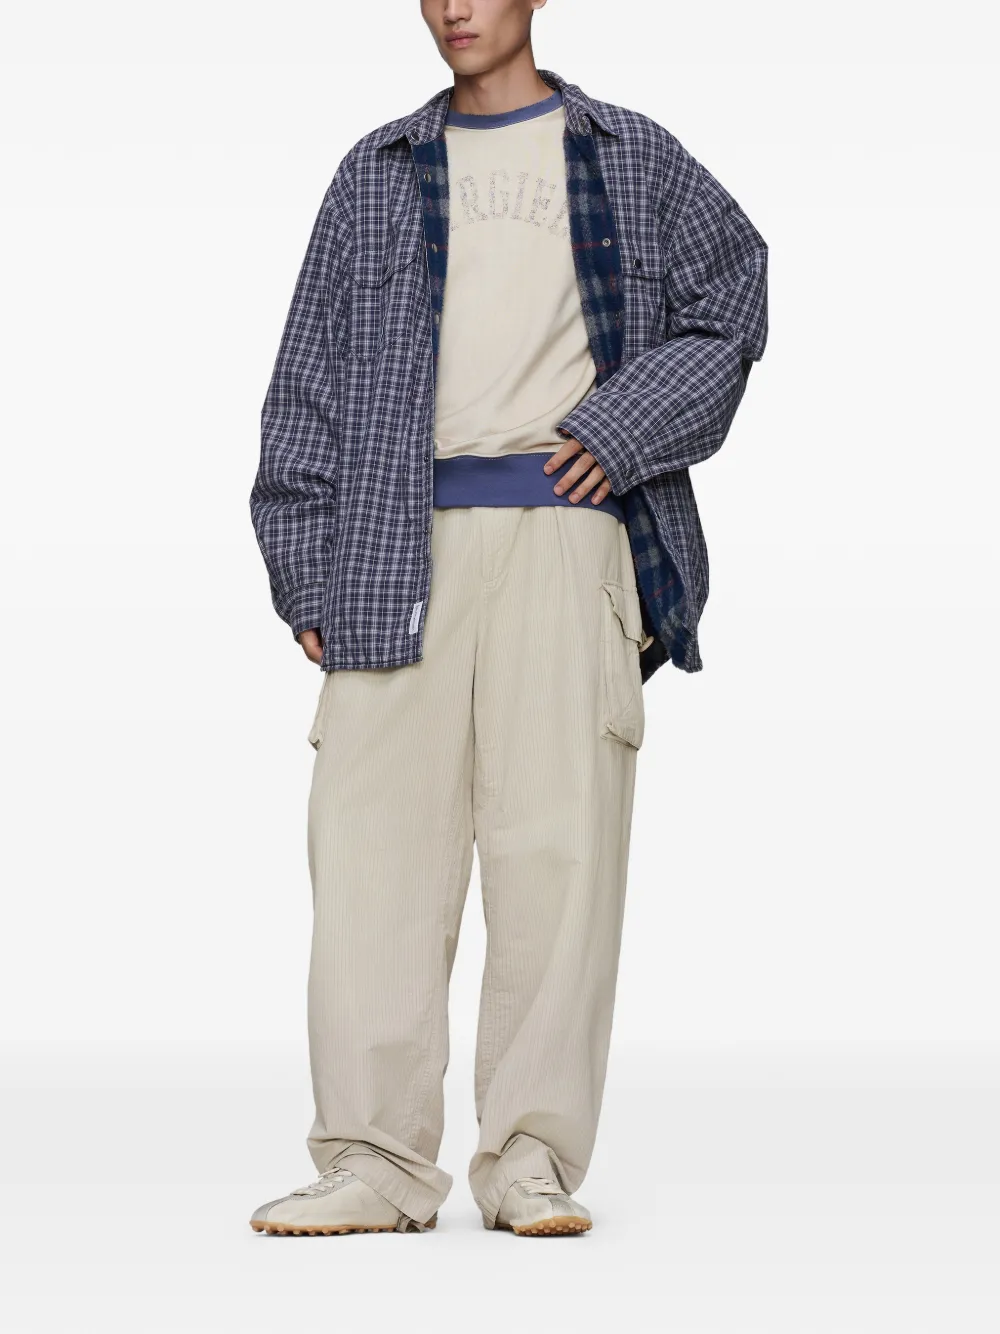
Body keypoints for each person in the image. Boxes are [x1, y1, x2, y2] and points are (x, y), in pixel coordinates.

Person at [248, 0, 768, 1238]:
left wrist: (623, 426)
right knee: (369, 858)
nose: (452, 8)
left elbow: (734, 299)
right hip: (392, 548)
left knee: (557, 857)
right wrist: (302, 567)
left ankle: (529, 1158)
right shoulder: (374, 172)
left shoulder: (629, 154)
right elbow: (307, 377)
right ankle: (372, 1160)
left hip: (567, 541)